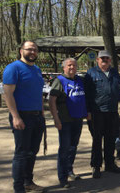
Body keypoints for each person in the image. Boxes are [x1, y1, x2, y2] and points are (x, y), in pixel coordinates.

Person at [3, 41, 46, 193]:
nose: (33, 52)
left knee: (32, 152)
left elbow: (38, 93)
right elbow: (7, 94)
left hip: (37, 117)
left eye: (35, 49)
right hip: (22, 116)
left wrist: (41, 113)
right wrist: (15, 116)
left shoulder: (36, 69)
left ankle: (28, 182)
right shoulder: (13, 68)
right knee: (21, 153)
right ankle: (18, 187)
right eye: (29, 49)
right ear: (21, 51)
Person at [84, 50, 120, 178]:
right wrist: (88, 111)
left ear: (110, 60)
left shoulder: (115, 73)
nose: (104, 60)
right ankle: (96, 166)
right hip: (97, 113)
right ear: (97, 60)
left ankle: (110, 164)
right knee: (97, 140)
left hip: (112, 112)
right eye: (102, 58)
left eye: (107, 58)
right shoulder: (91, 73)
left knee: (110, 139)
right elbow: (86, 95)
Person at [49, 58, 87, 188]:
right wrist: (56, 119)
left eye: (74, 65)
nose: (72, 67)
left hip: (77, 119)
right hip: (65, 120)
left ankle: (69, 170)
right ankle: (62, 177)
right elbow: (52, 101)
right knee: (64, 149)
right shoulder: (59, 81)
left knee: (73, 147)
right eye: (69, 65)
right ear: (64, 67)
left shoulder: (80, 80)